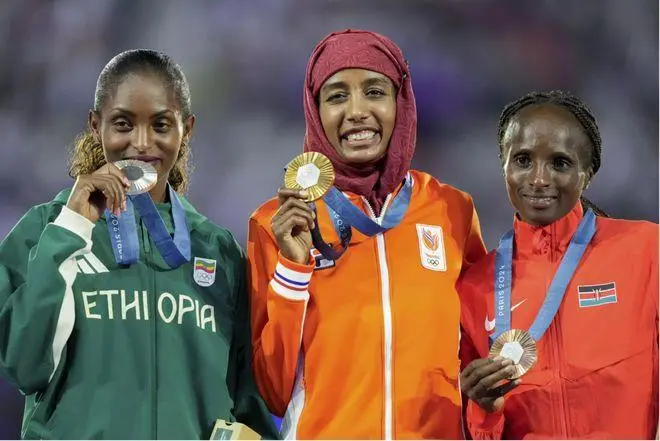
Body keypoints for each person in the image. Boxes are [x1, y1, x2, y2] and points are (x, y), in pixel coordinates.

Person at [0, 49, 277, 440]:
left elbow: (250, 405)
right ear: (95, 125)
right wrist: (71, 229)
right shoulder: (43, 231)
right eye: (123, 123)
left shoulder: (219, 251)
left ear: (187, 129)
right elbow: (24, 366)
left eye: (161, 124)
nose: (142, 142)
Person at [247, 29, 487, 439]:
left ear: (401, 102)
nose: (357, 111)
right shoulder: (278, 223)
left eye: (374, 92)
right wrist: (293, 269)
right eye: (337, 96)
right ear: (315, 110)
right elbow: (271, 392)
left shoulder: (452, 210)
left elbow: (478, 358)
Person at [459, 90, 658, 439]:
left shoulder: (646, 250)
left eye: (560, 163)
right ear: (504, 165)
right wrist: (484, 410)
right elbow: (476, 430)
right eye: (522, 160)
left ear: (587, 173)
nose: (538, 179)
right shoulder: (474, 288)